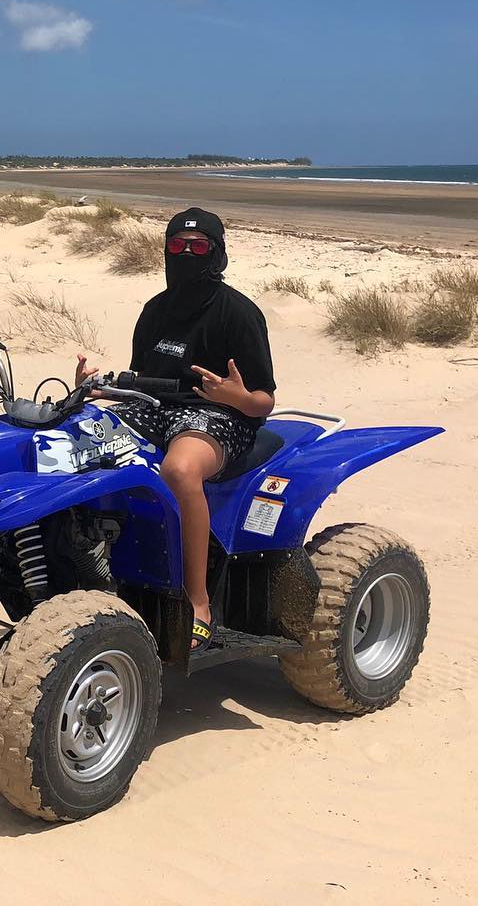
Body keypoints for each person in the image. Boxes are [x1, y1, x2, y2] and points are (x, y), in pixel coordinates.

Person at [76, 207, 276, 652]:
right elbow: (140, 377)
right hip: (154, 408)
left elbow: (264, 400)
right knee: (72, 439)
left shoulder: (238, 314)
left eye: (199, 246)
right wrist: (95, 390)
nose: (187, 254)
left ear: (217, 254)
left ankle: (199, 601)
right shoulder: (156, 310)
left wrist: (234, 397)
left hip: (217, 415)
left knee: (181, 471)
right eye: (177, 246)